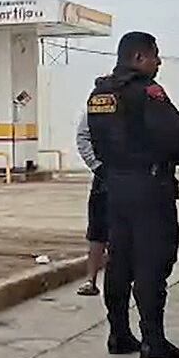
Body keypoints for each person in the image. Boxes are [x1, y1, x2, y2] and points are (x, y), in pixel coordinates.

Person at [85, 31, 179, 358]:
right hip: (149, 188)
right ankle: (153, 341)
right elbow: (172, 136)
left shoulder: (99, 93)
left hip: (113, 186)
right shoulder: (148, 92)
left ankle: (118, 334)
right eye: (154, 55)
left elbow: (96, 139)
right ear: (138, 58)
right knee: (151, 262)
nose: (158, 62)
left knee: (119, 261)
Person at [75, 111, 109, 296]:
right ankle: (91, 280)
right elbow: (83, 136)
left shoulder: (140, 97)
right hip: (105, 177)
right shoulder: (100, 101)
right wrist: (97, 166)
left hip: (132, 175)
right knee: (97, 231)